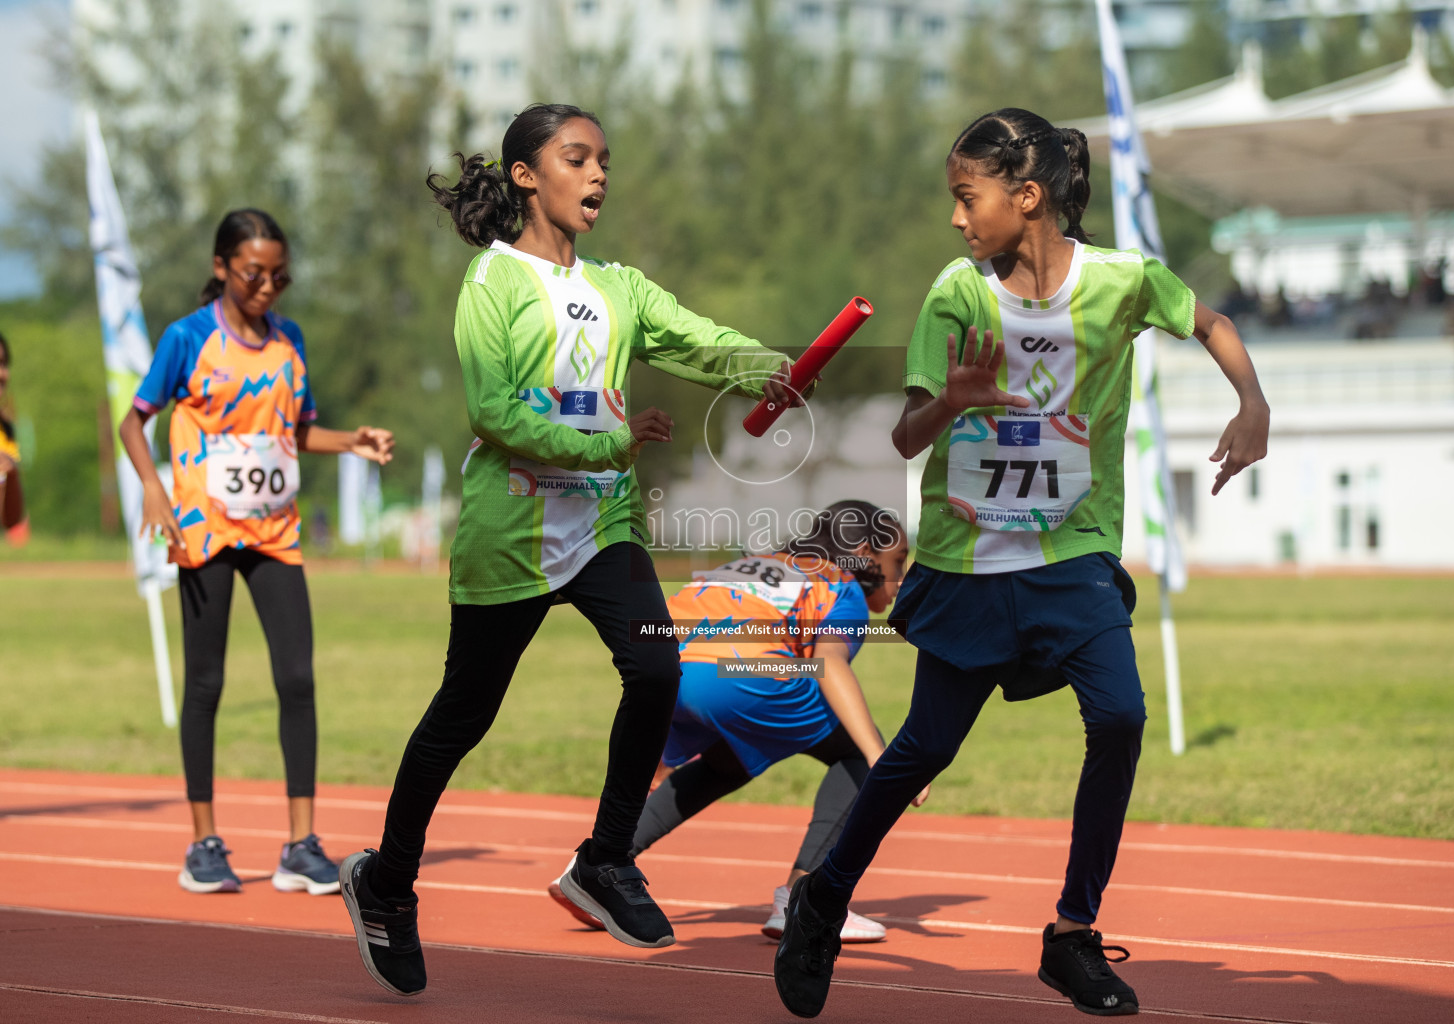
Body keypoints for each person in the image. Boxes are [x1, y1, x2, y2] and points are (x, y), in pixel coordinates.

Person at [773, 108, 1269, 1019]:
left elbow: (1212, 322)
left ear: (1027, 196)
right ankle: (824, 895)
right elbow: (904, 432)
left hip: (1071, 555)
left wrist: (1253, 402)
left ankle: (1072, 934)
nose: (958, 219)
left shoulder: (1122, 281)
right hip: (968, 560)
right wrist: (952, 400)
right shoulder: (957, 296)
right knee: (924, 749)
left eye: (969, 198)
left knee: (1120, 716)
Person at [338, 103, 802, 998]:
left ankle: (605, 861)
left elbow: (697, 338)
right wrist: (611, 446)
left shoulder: (620, 286)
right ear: (525, 176)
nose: (597, 176)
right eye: (576, 158)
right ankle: (387, 882)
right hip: (508, 537)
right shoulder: (494, 281)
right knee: (462, 718)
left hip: (602, 527)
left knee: (656, 671)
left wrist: (762, 362)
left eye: (604, 163)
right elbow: (496, 415)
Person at [119, 209, 395, 897]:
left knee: (297, 680)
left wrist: (352, 441)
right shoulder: (187, 339)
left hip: (274, 531)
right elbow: (134, 421)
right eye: (253, 274)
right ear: (221, 269)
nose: (268, 287)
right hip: (204, 529)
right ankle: (202, 844)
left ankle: (301, 845)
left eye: (279, 276)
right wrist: (153, 491)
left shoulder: (289, 340)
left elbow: (297, 433)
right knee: (207, 684)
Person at [547, 500, 924, 944]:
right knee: (859, 752)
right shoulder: (841, 585)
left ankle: (597, 864)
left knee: (727, 762)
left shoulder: (750, 562)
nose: (900, 578)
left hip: (672, 672)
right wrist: (880, 755)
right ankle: (804, 901)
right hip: (743, 676)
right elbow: (829, 662)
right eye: (897, 561)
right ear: (863, 553)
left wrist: (662, 746)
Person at [0, 331, 26, 539]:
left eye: (3, 363)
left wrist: (13, 474)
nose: (1, 373)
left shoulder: (5, 430)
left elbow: (11, 519)